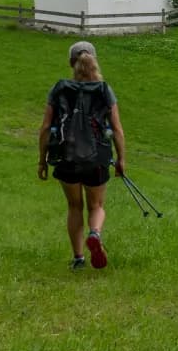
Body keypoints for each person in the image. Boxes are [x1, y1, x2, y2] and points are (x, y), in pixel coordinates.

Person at [38, 40, 126, 271]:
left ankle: (78, 258)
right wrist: (121, 160)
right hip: (97, 158)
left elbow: (45, 127)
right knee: (96, 205)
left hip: (67, 157)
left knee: (74, 206)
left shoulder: (60, 88)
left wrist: (42, 160)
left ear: (71, 62)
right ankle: (95, 233)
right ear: (94, 60)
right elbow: (117, 129)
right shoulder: (104, 89)